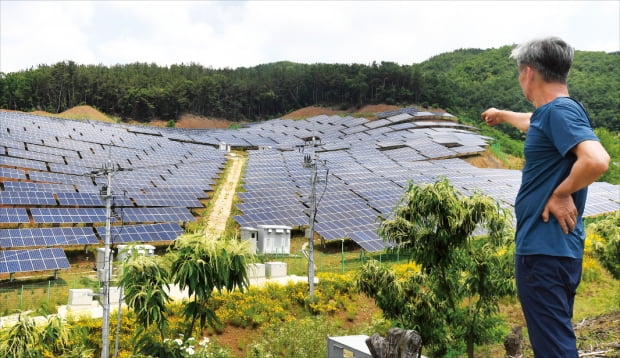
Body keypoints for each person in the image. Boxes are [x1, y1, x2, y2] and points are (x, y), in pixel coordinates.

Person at [481, 37, 610, 357]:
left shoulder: (557, 113)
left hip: (543, 251)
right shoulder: (555, 113)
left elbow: (597, 160)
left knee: (554, 349)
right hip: (556, 250)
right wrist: (503, 114)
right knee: (554, 340)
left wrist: (561, 193)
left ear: (528, 72)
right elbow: (533, 121)